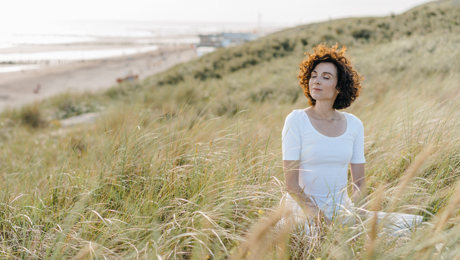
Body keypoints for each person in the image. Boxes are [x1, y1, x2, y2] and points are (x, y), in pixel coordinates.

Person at [281, 43, 423, 232]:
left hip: (343, 212)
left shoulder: (354, 124)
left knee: (412, 227)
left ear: (339, 86)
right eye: (313, 75)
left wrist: (360, 216)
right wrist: (322, 221)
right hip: (304, 213)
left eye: (326, 77)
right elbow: (291, 184)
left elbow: (359, 184)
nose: (316, 81)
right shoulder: (296, 120)